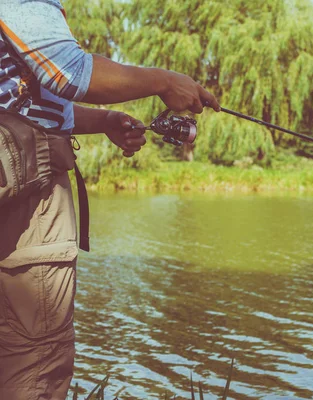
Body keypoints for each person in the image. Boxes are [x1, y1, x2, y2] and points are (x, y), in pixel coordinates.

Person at [0, 0, 220, 398]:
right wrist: (165, 81)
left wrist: (102, 121)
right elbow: (67, 71)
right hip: (28, 201)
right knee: (36, 357)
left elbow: (24, 100)